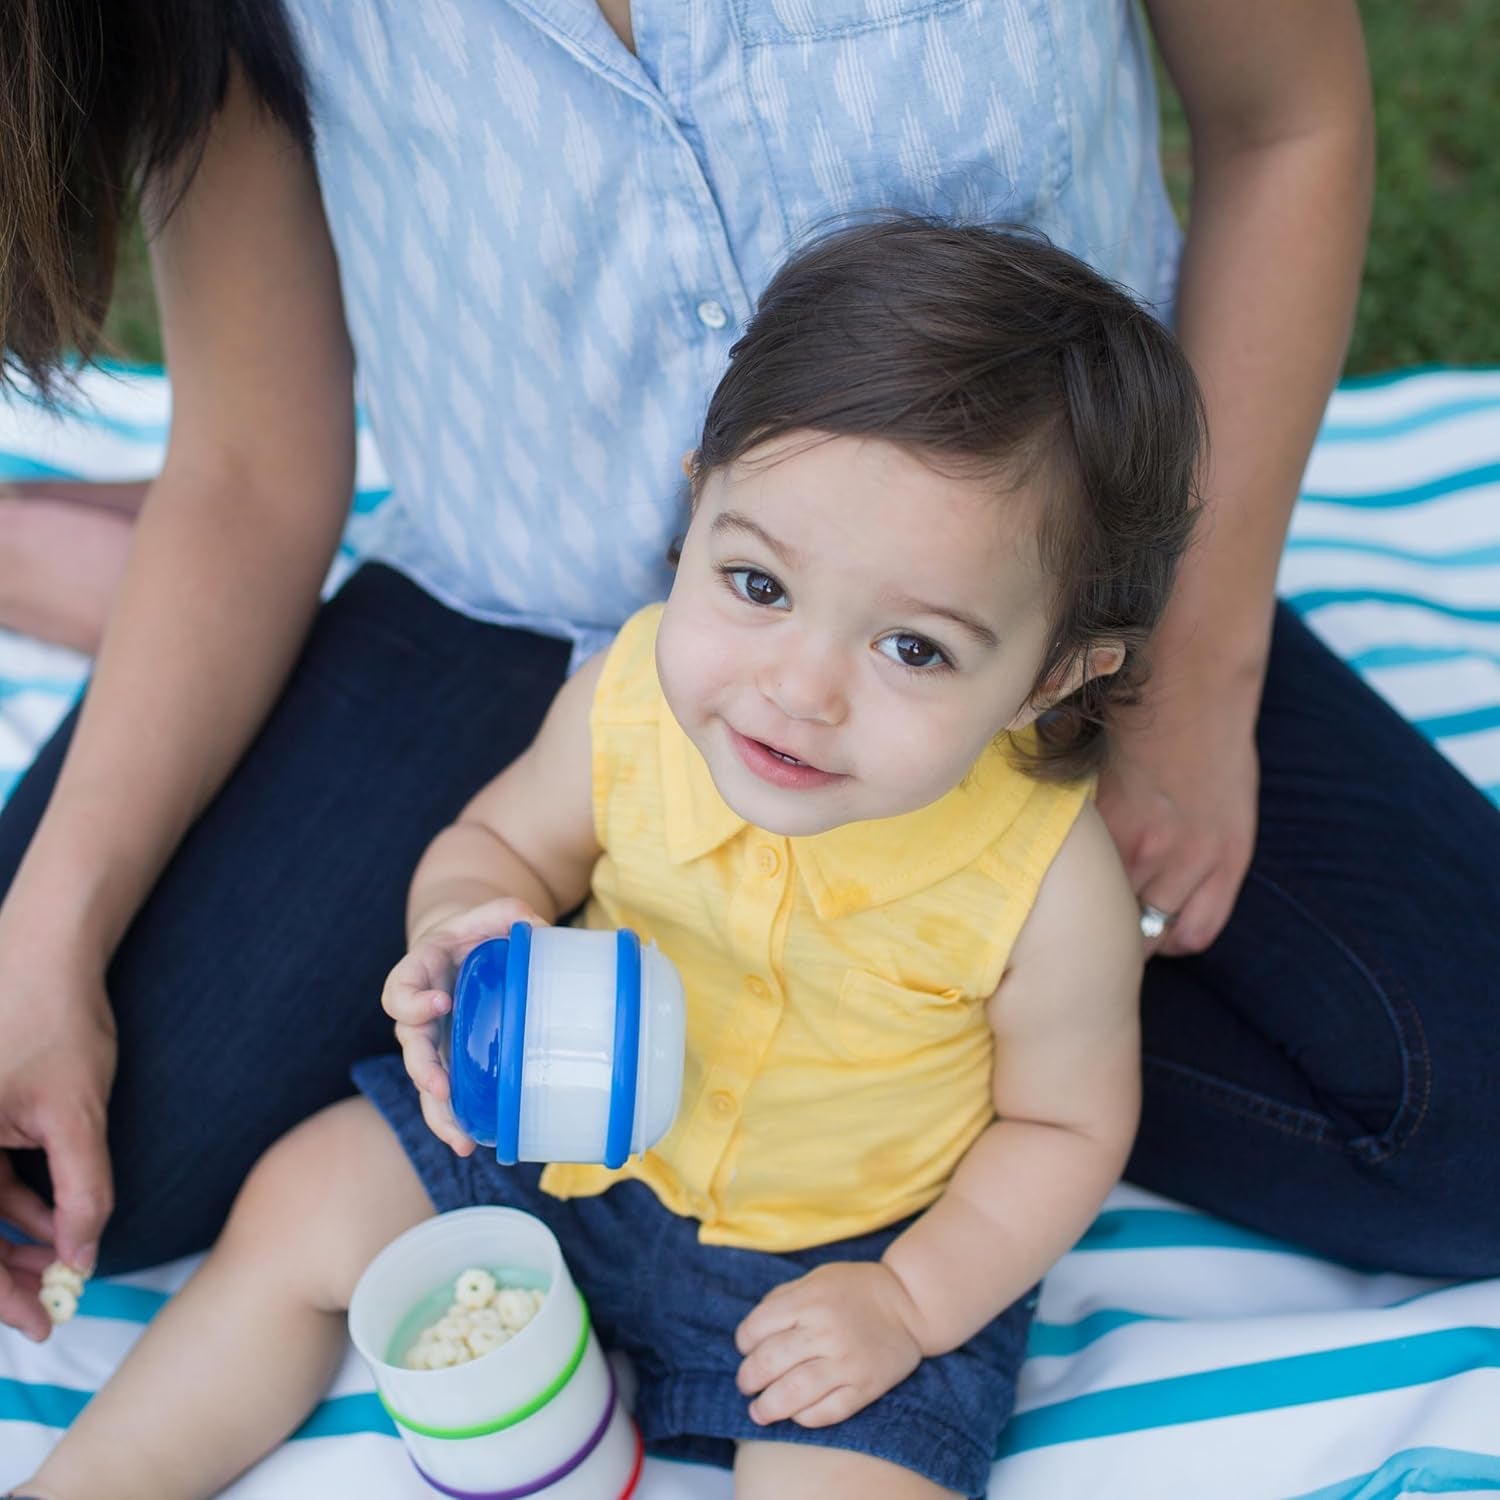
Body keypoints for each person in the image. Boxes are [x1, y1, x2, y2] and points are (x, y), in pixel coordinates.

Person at [2, 0, 1496, 1351]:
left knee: (1465, 1131)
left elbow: (1285, 119)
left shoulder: (1053, 661)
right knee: (50, 1166)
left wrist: (1192, 667)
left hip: (990, 637)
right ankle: (82, 569)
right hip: (511, 603)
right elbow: (257, 465)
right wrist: (47, 938)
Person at [9, 217, 1202, 1500]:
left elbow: (1066, 1122)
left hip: (840, 1254)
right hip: (560, 1136)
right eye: (757, 583)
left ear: (1054, 676)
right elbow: (503, 843)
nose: (797, 689)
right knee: (306, 1200)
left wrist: (911, 1300)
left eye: (913, 649)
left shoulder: (1043, 878)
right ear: (697, 509)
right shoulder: (629, 699)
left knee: (867, 1469)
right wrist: (465, 923)